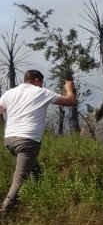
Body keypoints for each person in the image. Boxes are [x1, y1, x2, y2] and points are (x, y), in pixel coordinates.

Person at [0, 70, 77, 216]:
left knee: (35, 170)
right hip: (28, 140)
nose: (42, 85)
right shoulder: (41, 92)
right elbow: (71, 101)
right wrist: (68, 88)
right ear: (36, 80)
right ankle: (5, 211)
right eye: (41, 82)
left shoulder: (10, 93)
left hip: (10, 139)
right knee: (20, 177)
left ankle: (40, 200)